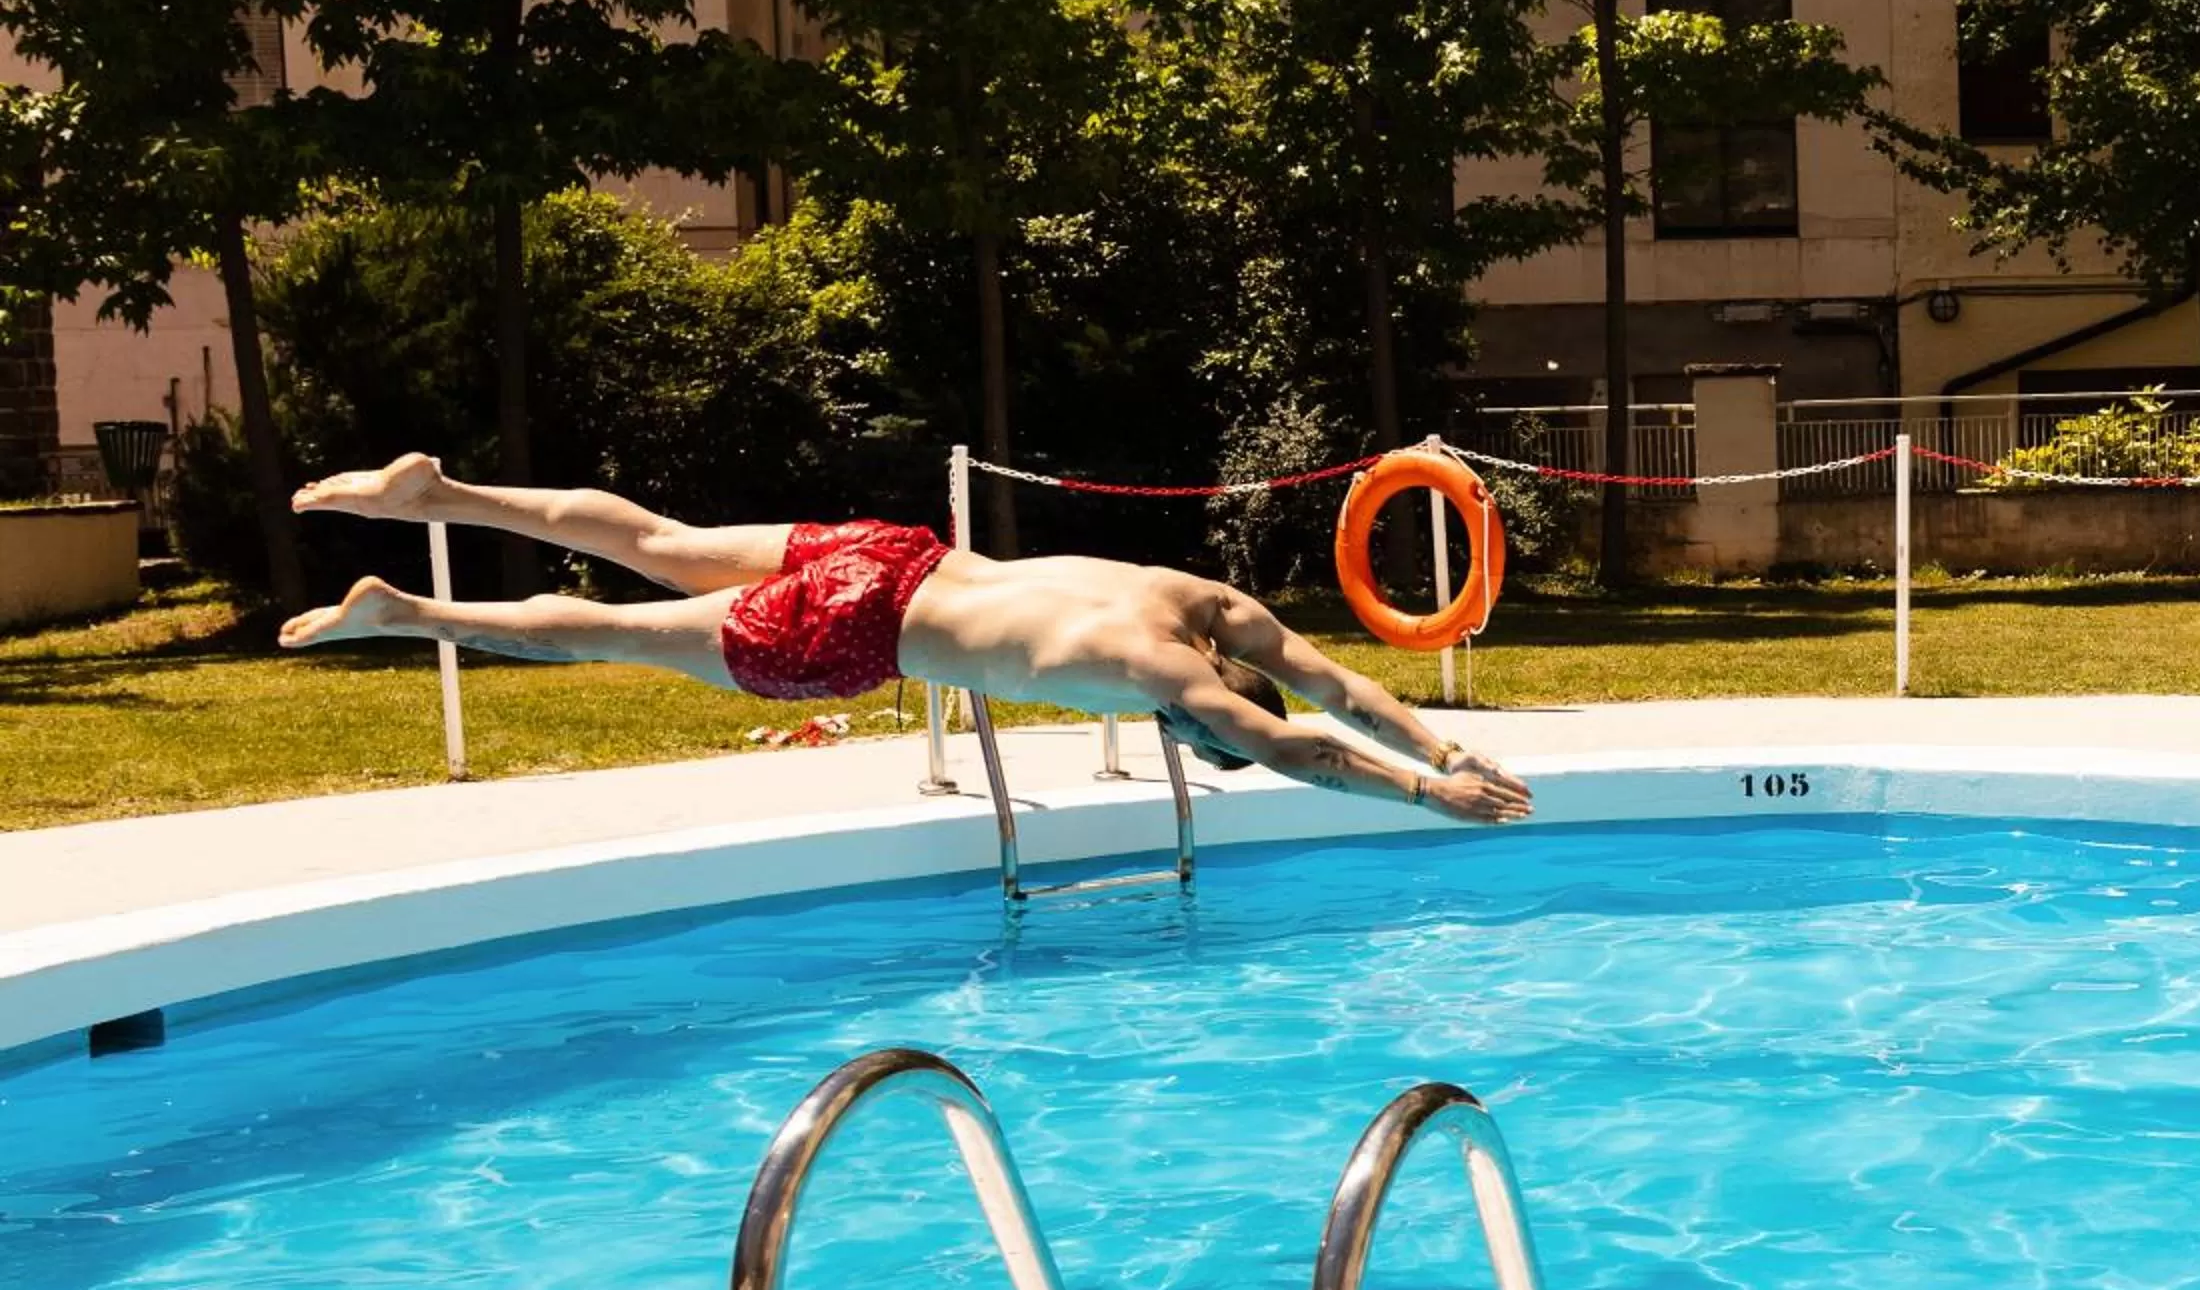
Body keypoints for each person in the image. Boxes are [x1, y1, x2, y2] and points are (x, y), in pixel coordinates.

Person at [278, 455, 1534, 823]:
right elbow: (1304, 746)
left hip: (901, 553)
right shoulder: (1164, 679)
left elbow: (1333, 682)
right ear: (1191, 717)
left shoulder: (1194, 600)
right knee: (616, 634)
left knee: (661, 537)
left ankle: (439, 493)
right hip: (862, 624)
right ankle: (411, 611)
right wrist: (1433, 795)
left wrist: (1444, 743)